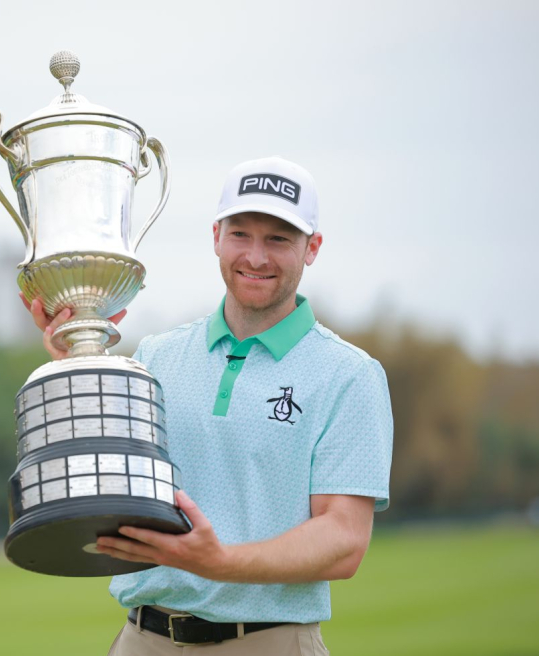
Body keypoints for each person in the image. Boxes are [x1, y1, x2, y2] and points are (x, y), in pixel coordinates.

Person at [22, 156, 393, 655]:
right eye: (241, 233)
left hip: (266, 642)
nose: (256, 257)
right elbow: (114, 469)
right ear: (216, 235)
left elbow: (344, 540)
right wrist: (80, 360)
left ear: (312, 249)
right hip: (141, 639)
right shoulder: (155, 356)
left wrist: (221, 562)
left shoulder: (350, 375)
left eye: (279, 239)